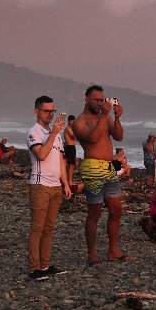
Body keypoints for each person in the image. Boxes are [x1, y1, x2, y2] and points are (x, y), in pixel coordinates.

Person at [72, 85, 131, 265]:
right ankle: (92, 253)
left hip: (109, 166)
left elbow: (119, 137)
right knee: (94, 213)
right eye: (96, 100)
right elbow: (93, 139)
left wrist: (117, 117)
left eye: (102, 99)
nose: (100, 103)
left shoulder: (104, 118)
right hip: (92, 167)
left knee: (116, 210)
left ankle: (113, 249)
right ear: (86, 99)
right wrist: (104, 116)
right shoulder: (79, 121)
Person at [26, 95, 73, 281]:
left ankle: (45, 265)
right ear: (36, 111)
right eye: (46, 111)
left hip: (55, 186)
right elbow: (42, 155)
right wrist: (53, 134)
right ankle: (34, 268)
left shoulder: (58, 136)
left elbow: (61, 161)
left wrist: (66, 184)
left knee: (49, 228)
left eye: (52, 111)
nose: (50, 114)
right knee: (37, 227)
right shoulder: (34, 133)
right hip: (39, 185)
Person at [63, 115, 78, 182]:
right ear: (68, 121)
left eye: (74, 122)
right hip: (69, 147)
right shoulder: (68, 128)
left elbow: (76, 139)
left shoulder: (71, 129)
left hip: (71, 147)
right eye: (71, 121)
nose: (72, 123)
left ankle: (68, 179)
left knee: (71, 164)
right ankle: (69, 181)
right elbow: (73, 136)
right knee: (71, 165)